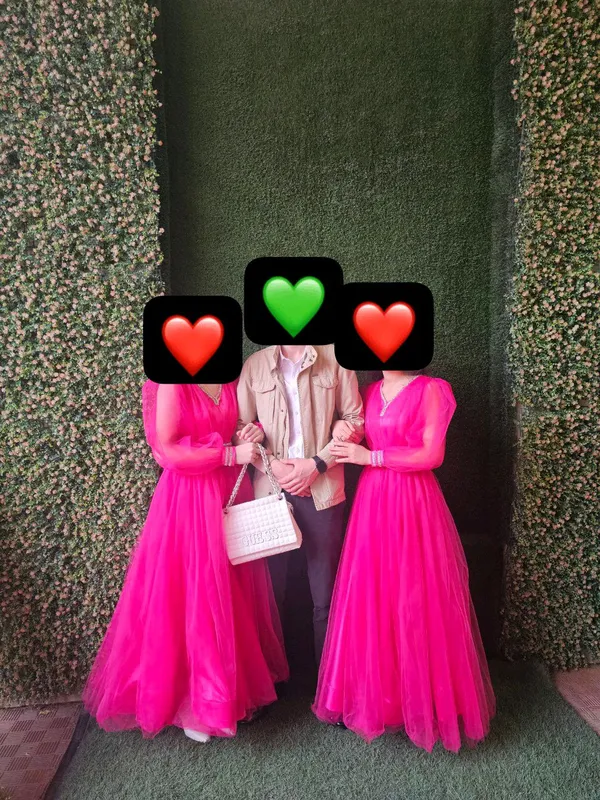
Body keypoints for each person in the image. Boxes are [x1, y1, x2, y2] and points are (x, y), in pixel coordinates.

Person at [82, 381, 289, 743]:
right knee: (195, 594)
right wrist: (229, 455)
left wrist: (249, 432)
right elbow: (167, 450)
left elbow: (234, 427)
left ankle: (227, 689)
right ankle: (196, 701)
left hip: (228, 492)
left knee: (232, 591)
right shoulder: (172, 384)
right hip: (189, 498)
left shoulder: (228, 381)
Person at [312, 371, 496, 752]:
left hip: (414, 502)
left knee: (418, 598)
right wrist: (343, 430)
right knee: (374, 599)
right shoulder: (369, 391)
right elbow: (355, 431)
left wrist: (371, 457)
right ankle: (383, 702)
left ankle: (427, 703)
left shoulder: (432, 389)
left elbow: (432, 454)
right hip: (373, 502)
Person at [236, 344, 364, 667]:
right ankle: (273, 681)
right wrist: (273, 467)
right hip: (270, 494)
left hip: (324, 493)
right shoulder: (255, 365)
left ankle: (328, 681)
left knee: (326, 594)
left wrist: (316, 465)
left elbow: (356, 422)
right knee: (270, 594)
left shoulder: (337, 360)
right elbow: (238, 428)